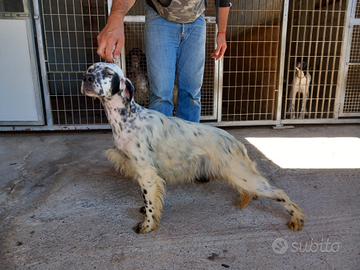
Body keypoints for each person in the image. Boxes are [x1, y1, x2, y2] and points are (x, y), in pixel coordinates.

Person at [97, 0, 231, 123]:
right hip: (160, 15)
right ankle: (160, 144)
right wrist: (115, 19)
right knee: (161, 94)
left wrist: (222, 32)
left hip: (196, 17)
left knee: (192, 94)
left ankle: (188, 144)